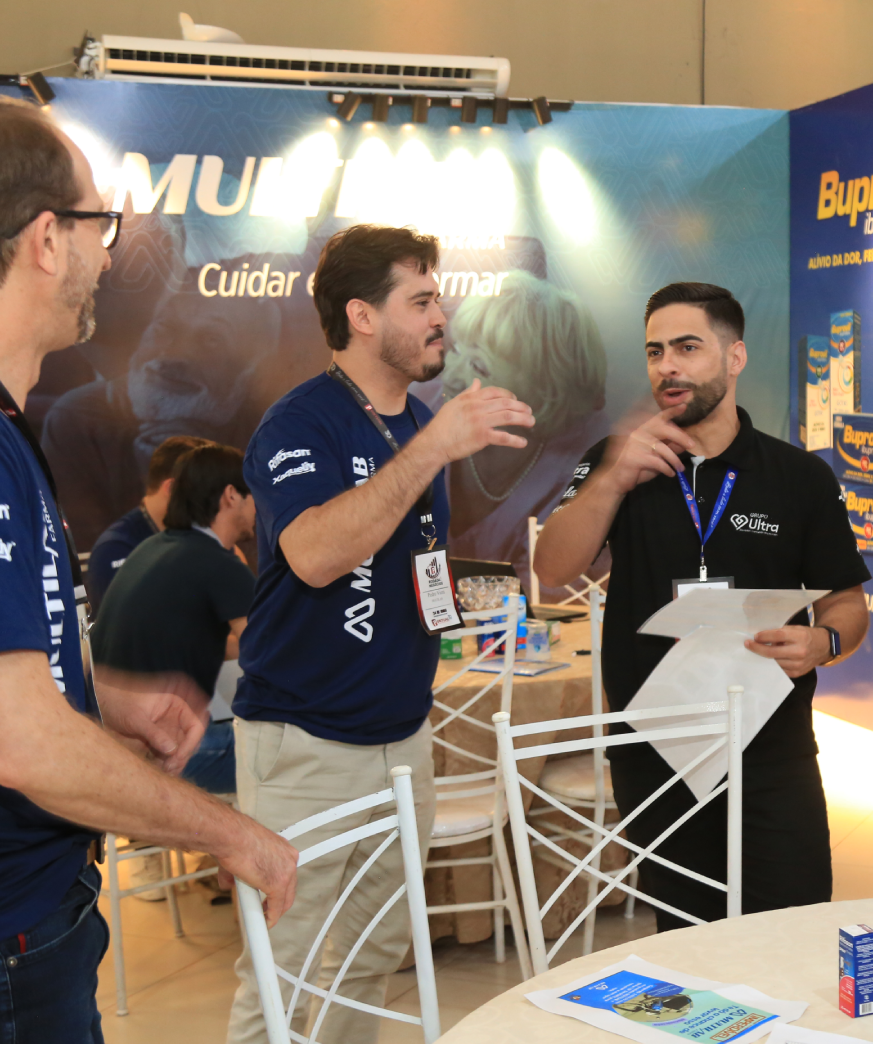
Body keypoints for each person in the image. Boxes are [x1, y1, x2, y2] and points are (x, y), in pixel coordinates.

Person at [0, 95, 296, 1044]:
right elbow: (21, 746)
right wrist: (227, 829)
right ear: (47, 240)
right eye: (97, 226)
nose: (108, 257)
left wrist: (97, 698)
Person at [227, 224, 534, 1043]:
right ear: (362, 316)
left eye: (438, 298)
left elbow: (418, 559)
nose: (441, 316)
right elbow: (315, 555)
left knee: (372, 959)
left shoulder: (416, 424)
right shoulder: (300, 424)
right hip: (304, 742)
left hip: (404, 738)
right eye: (421, 300)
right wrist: (433, 450)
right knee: (279, 971)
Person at [533, 281, 871, 930]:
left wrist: (824, 643)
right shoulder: (616, 462)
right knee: (685, 941)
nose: (668, 366)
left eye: (687, 348)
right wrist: (613, 476)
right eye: (655, 351)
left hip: (771, 748)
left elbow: (847, 605)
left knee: (792, 930)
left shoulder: (798, 477)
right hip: (657, 749)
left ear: (735, 357)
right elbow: (551, 570)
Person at [42, 289, 277, 547]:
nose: (174, 355)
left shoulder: (269, 435)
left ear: (251, 371)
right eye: (164, 329)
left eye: (211, 340)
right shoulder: (78, 418)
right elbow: (83, 548)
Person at [92, 443, 257, 796]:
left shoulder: (150, 548)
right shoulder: (219, 564)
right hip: (164, 750)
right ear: (231, 496)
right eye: (253, 493)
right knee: (302, 753)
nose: (259, 506)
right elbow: (273, 658)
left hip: (110, 743)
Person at [438, 270, 610, 593]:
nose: (449, 375)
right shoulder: (420, 407)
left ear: (544, 389)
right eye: (456, 350)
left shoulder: (585, 462)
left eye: (478, 366)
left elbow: (551, 593)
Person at [86, 433, 209, 615]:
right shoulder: (116, 549)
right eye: (206, 491)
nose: (214, 502)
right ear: (172, 489)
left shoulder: (203, 536)